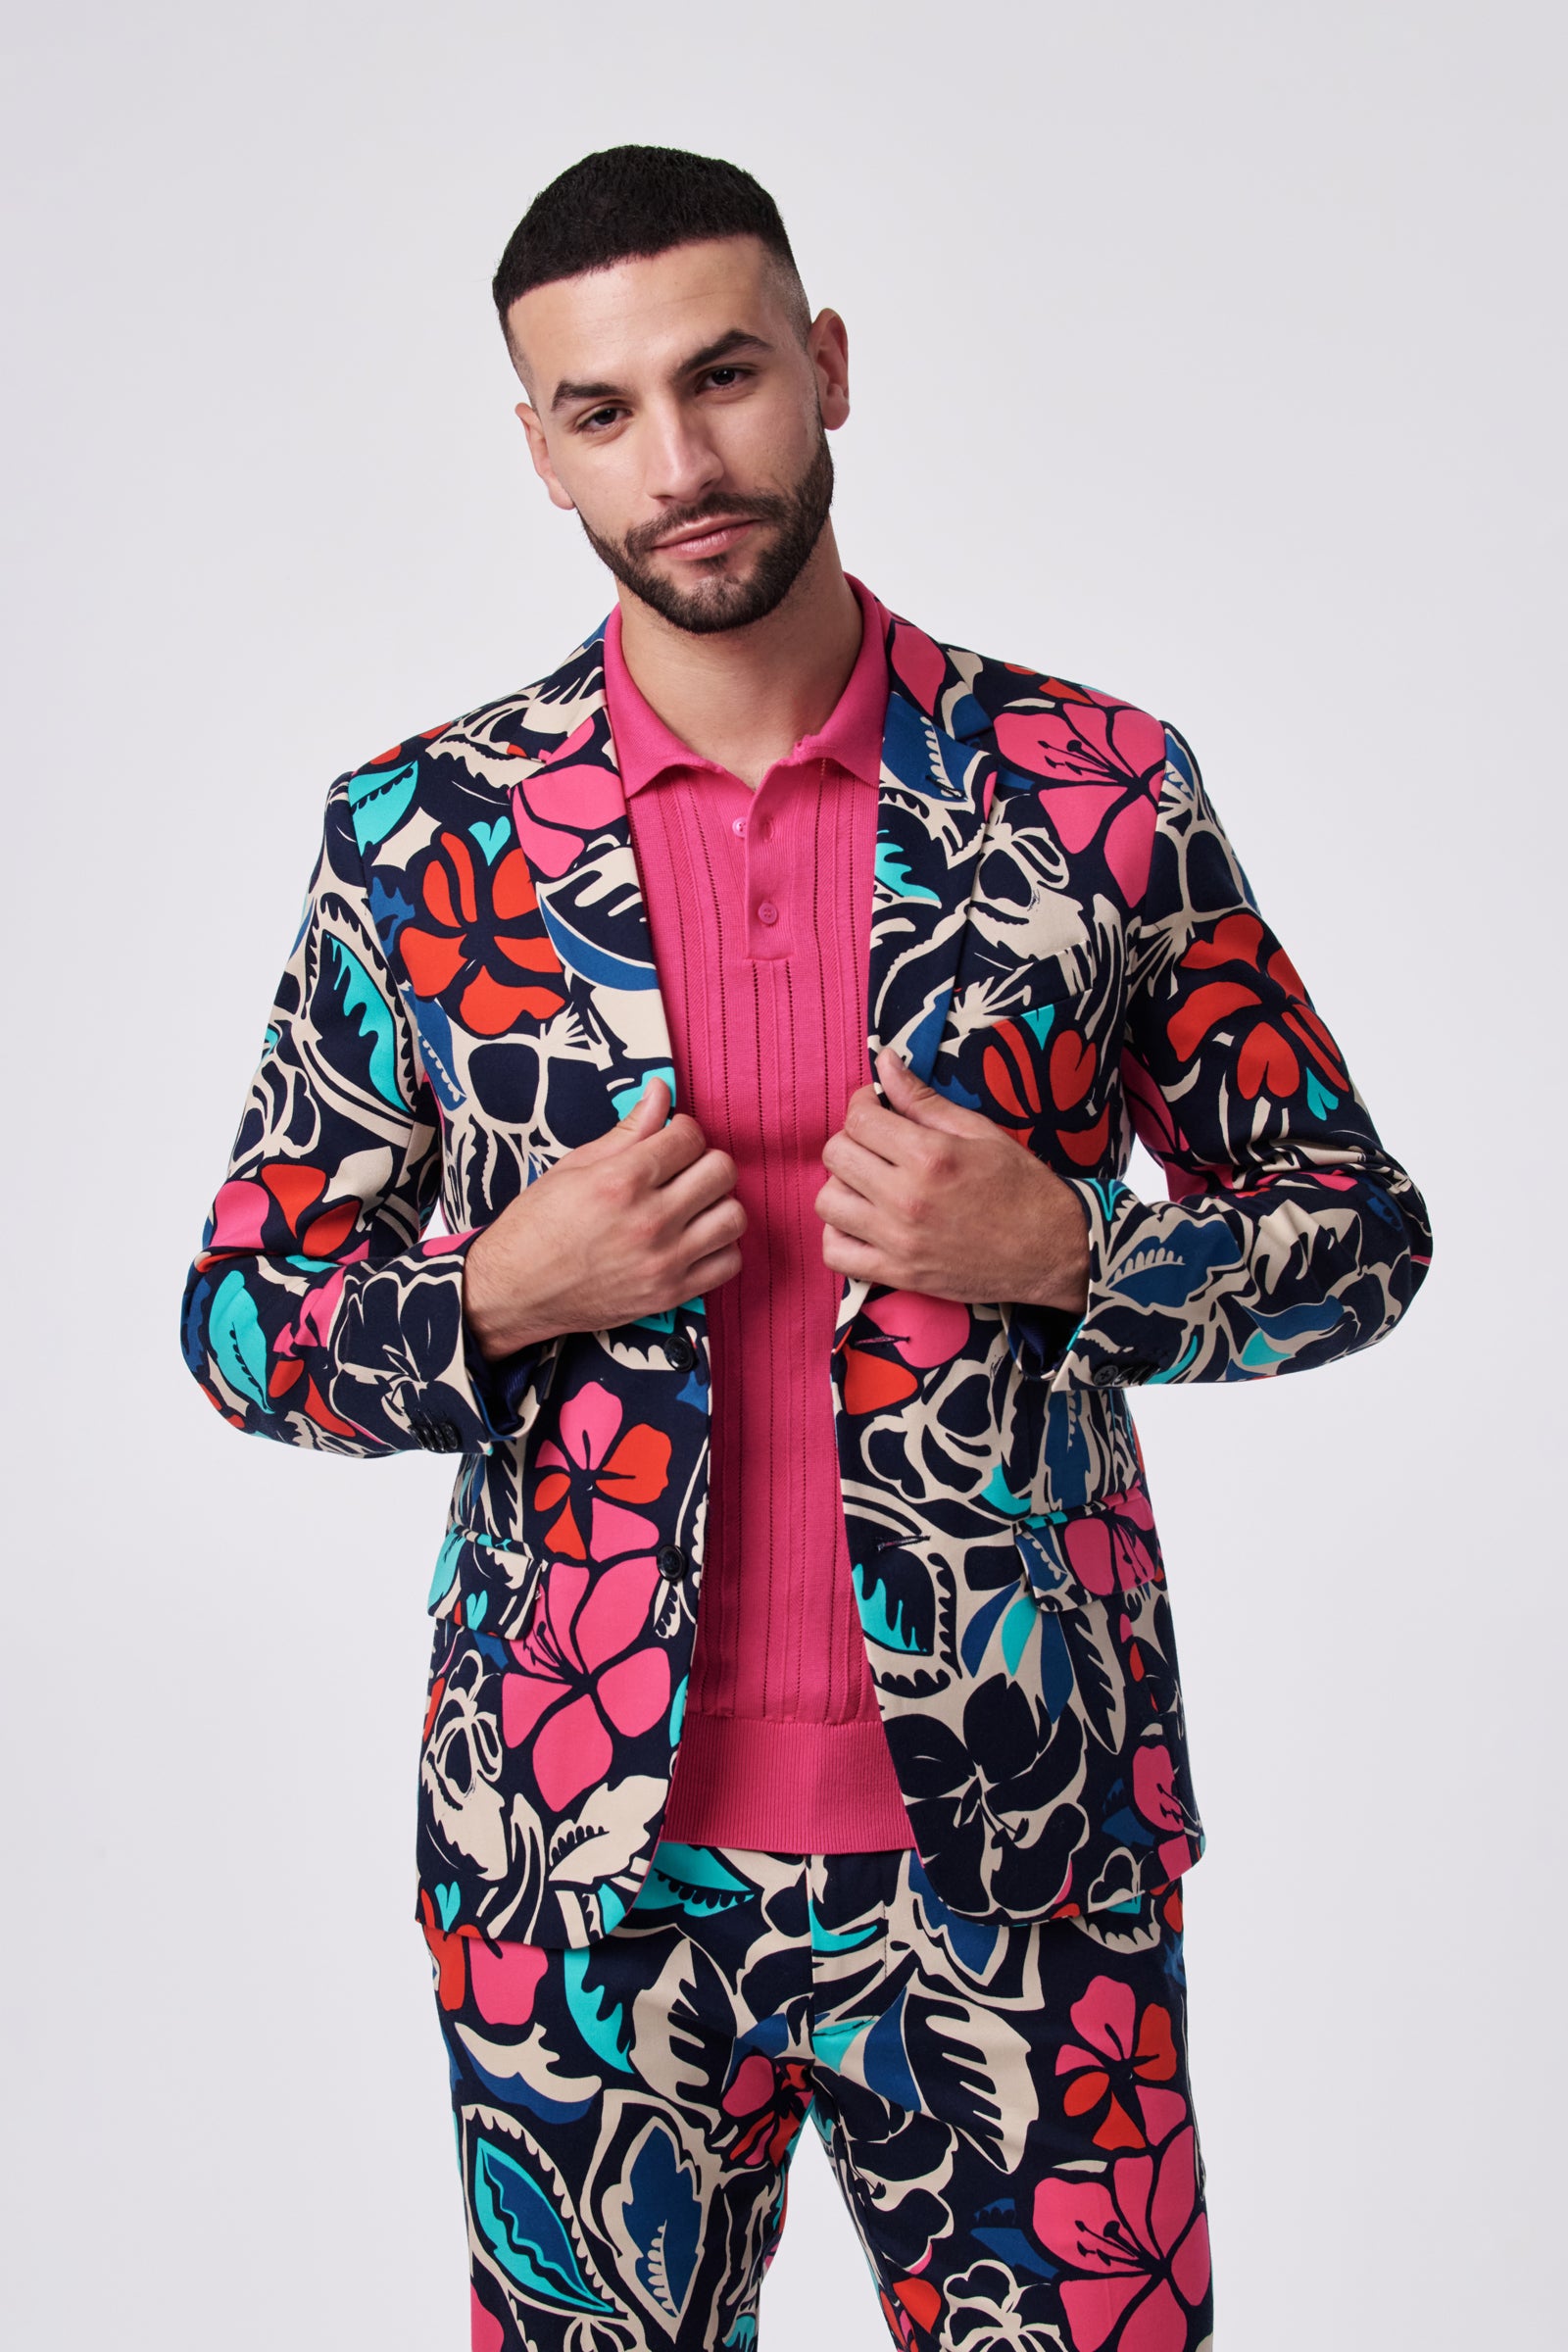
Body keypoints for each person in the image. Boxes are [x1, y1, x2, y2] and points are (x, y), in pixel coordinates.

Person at [180, 144, 1430, 2352]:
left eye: (724, 376)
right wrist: (490, 1293)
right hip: (579, 1873)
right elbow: (235, 1313)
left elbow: (1352, 1232)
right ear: (539, 446)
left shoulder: (1090, 791)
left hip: (1023, 1837)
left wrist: (1079, 1251)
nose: (677, 462)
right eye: (600, 411)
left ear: (826, 367)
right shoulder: (420, 838)